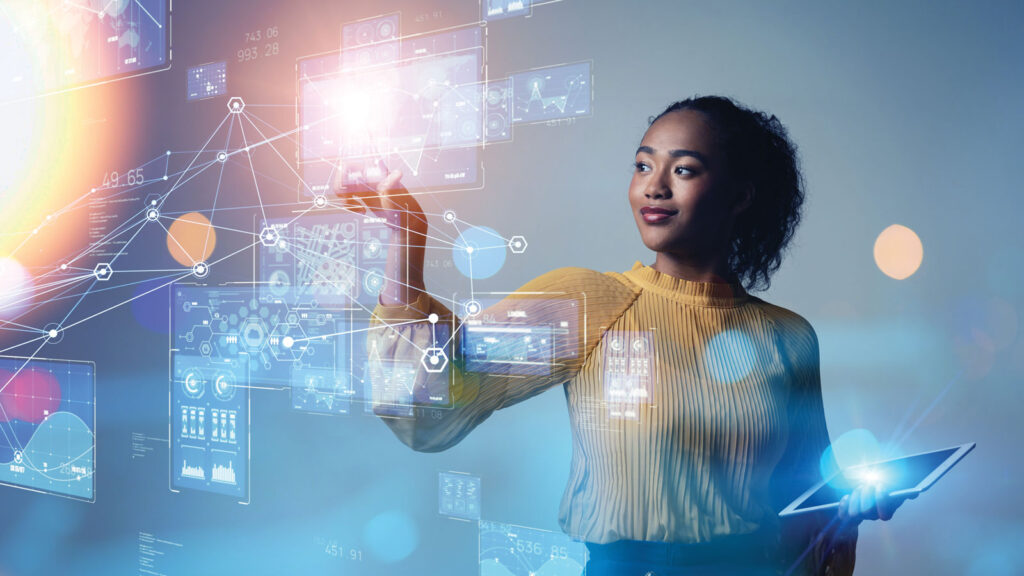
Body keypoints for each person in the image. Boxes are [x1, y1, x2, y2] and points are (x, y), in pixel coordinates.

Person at [339, 95, 911, 575]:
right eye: (643, 166)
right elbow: (430, 404)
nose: (654, 187)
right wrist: (404, 238)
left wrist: (853, 508)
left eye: (683, 169)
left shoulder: (790, 337)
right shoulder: (591, 302)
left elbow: (811, 501)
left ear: (740, 196)